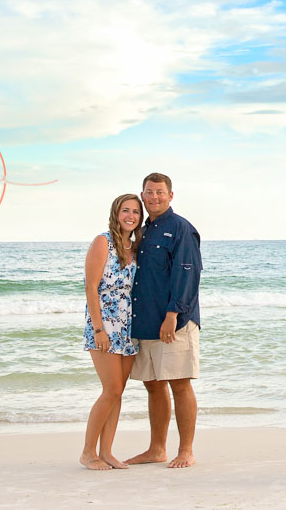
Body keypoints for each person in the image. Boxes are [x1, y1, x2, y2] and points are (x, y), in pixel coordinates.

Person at [125, 173, 203, 468]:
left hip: (175, 322)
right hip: (145, 322)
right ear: (142, 196)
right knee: (153, 384)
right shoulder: (143, 231)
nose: (154, 197)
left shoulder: (181, 228)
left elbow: (188, 273)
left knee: (179, 384)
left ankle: (186, 451)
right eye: (149, 192)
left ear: (171, 196)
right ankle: (157, 449)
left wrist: (173, 314)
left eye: (160, 192)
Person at [80, 194, 142, 470]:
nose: (130, 216)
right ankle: (87, 452)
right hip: (104, 324)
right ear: (116, 213)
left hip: (130, 327)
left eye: (135, 212)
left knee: (119, 392)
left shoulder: (135, 246)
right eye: (125, 210)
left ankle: (106, 451)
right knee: (111, 389)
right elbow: (91, 287)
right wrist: (98, 330)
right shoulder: (102, 242)